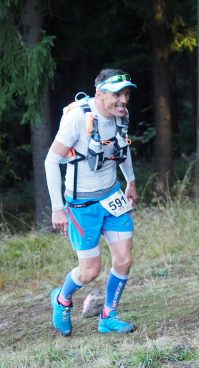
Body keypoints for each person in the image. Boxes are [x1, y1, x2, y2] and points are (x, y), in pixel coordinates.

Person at [45, 68, 139, 336]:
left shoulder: (122, 115)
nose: (123, 100)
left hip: (112, 196)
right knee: (90, 271)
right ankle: (62, 300)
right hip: (82, 205)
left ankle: (108, 316)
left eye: (126, 93)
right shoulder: (78, 118)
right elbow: (51, 161)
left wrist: (130, 180)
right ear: (100, 94)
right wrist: (57, 208)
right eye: (117, 94)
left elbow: (123, 146)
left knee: (123, 260)